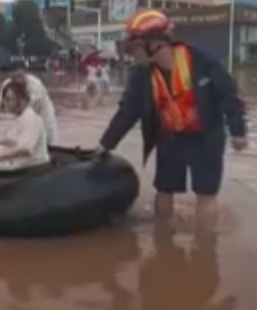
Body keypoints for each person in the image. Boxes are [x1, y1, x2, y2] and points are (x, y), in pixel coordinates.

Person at [97, 9, 247, 224]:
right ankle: (163, 240)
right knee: (164, 189)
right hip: (170, 138)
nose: (133, 54)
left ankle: (204, 249)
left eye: (136, 47)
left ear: (155, 44)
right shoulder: (142, 76)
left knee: (205, 193)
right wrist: (105, 144)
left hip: (206, 137)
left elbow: (229, 97)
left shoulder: (203, 62)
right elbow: (127, 112)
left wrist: (237, 131)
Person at [0, 80, 50, 171]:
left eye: (10, 99)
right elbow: (17, 141)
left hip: (31, 166)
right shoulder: (20, 117)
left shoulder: (29, 117)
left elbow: (26, 149)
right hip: (22, 162)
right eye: (5, 99)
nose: (5, 104)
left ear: (23, 100)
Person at [0, 61, 57, 145]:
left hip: (44, 120)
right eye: (14, 77)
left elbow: (26, 111)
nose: (17, 80)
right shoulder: (7, 85)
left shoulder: (36, 86)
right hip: (24, 124)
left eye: (20, 76)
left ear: (25, 74)